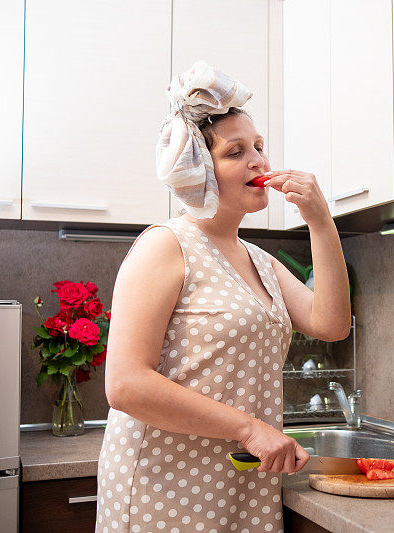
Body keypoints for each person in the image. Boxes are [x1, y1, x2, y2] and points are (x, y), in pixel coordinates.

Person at [95, 61, 351, 533]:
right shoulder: (164, 245)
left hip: (241, 483)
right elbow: (126, 383)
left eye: (259, 147)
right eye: (237, 152)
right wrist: (249, 428)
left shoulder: (259, 259)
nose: (259, 161)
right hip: (165, 487)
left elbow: (331, 323)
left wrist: (320, 220)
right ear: (197, 169)